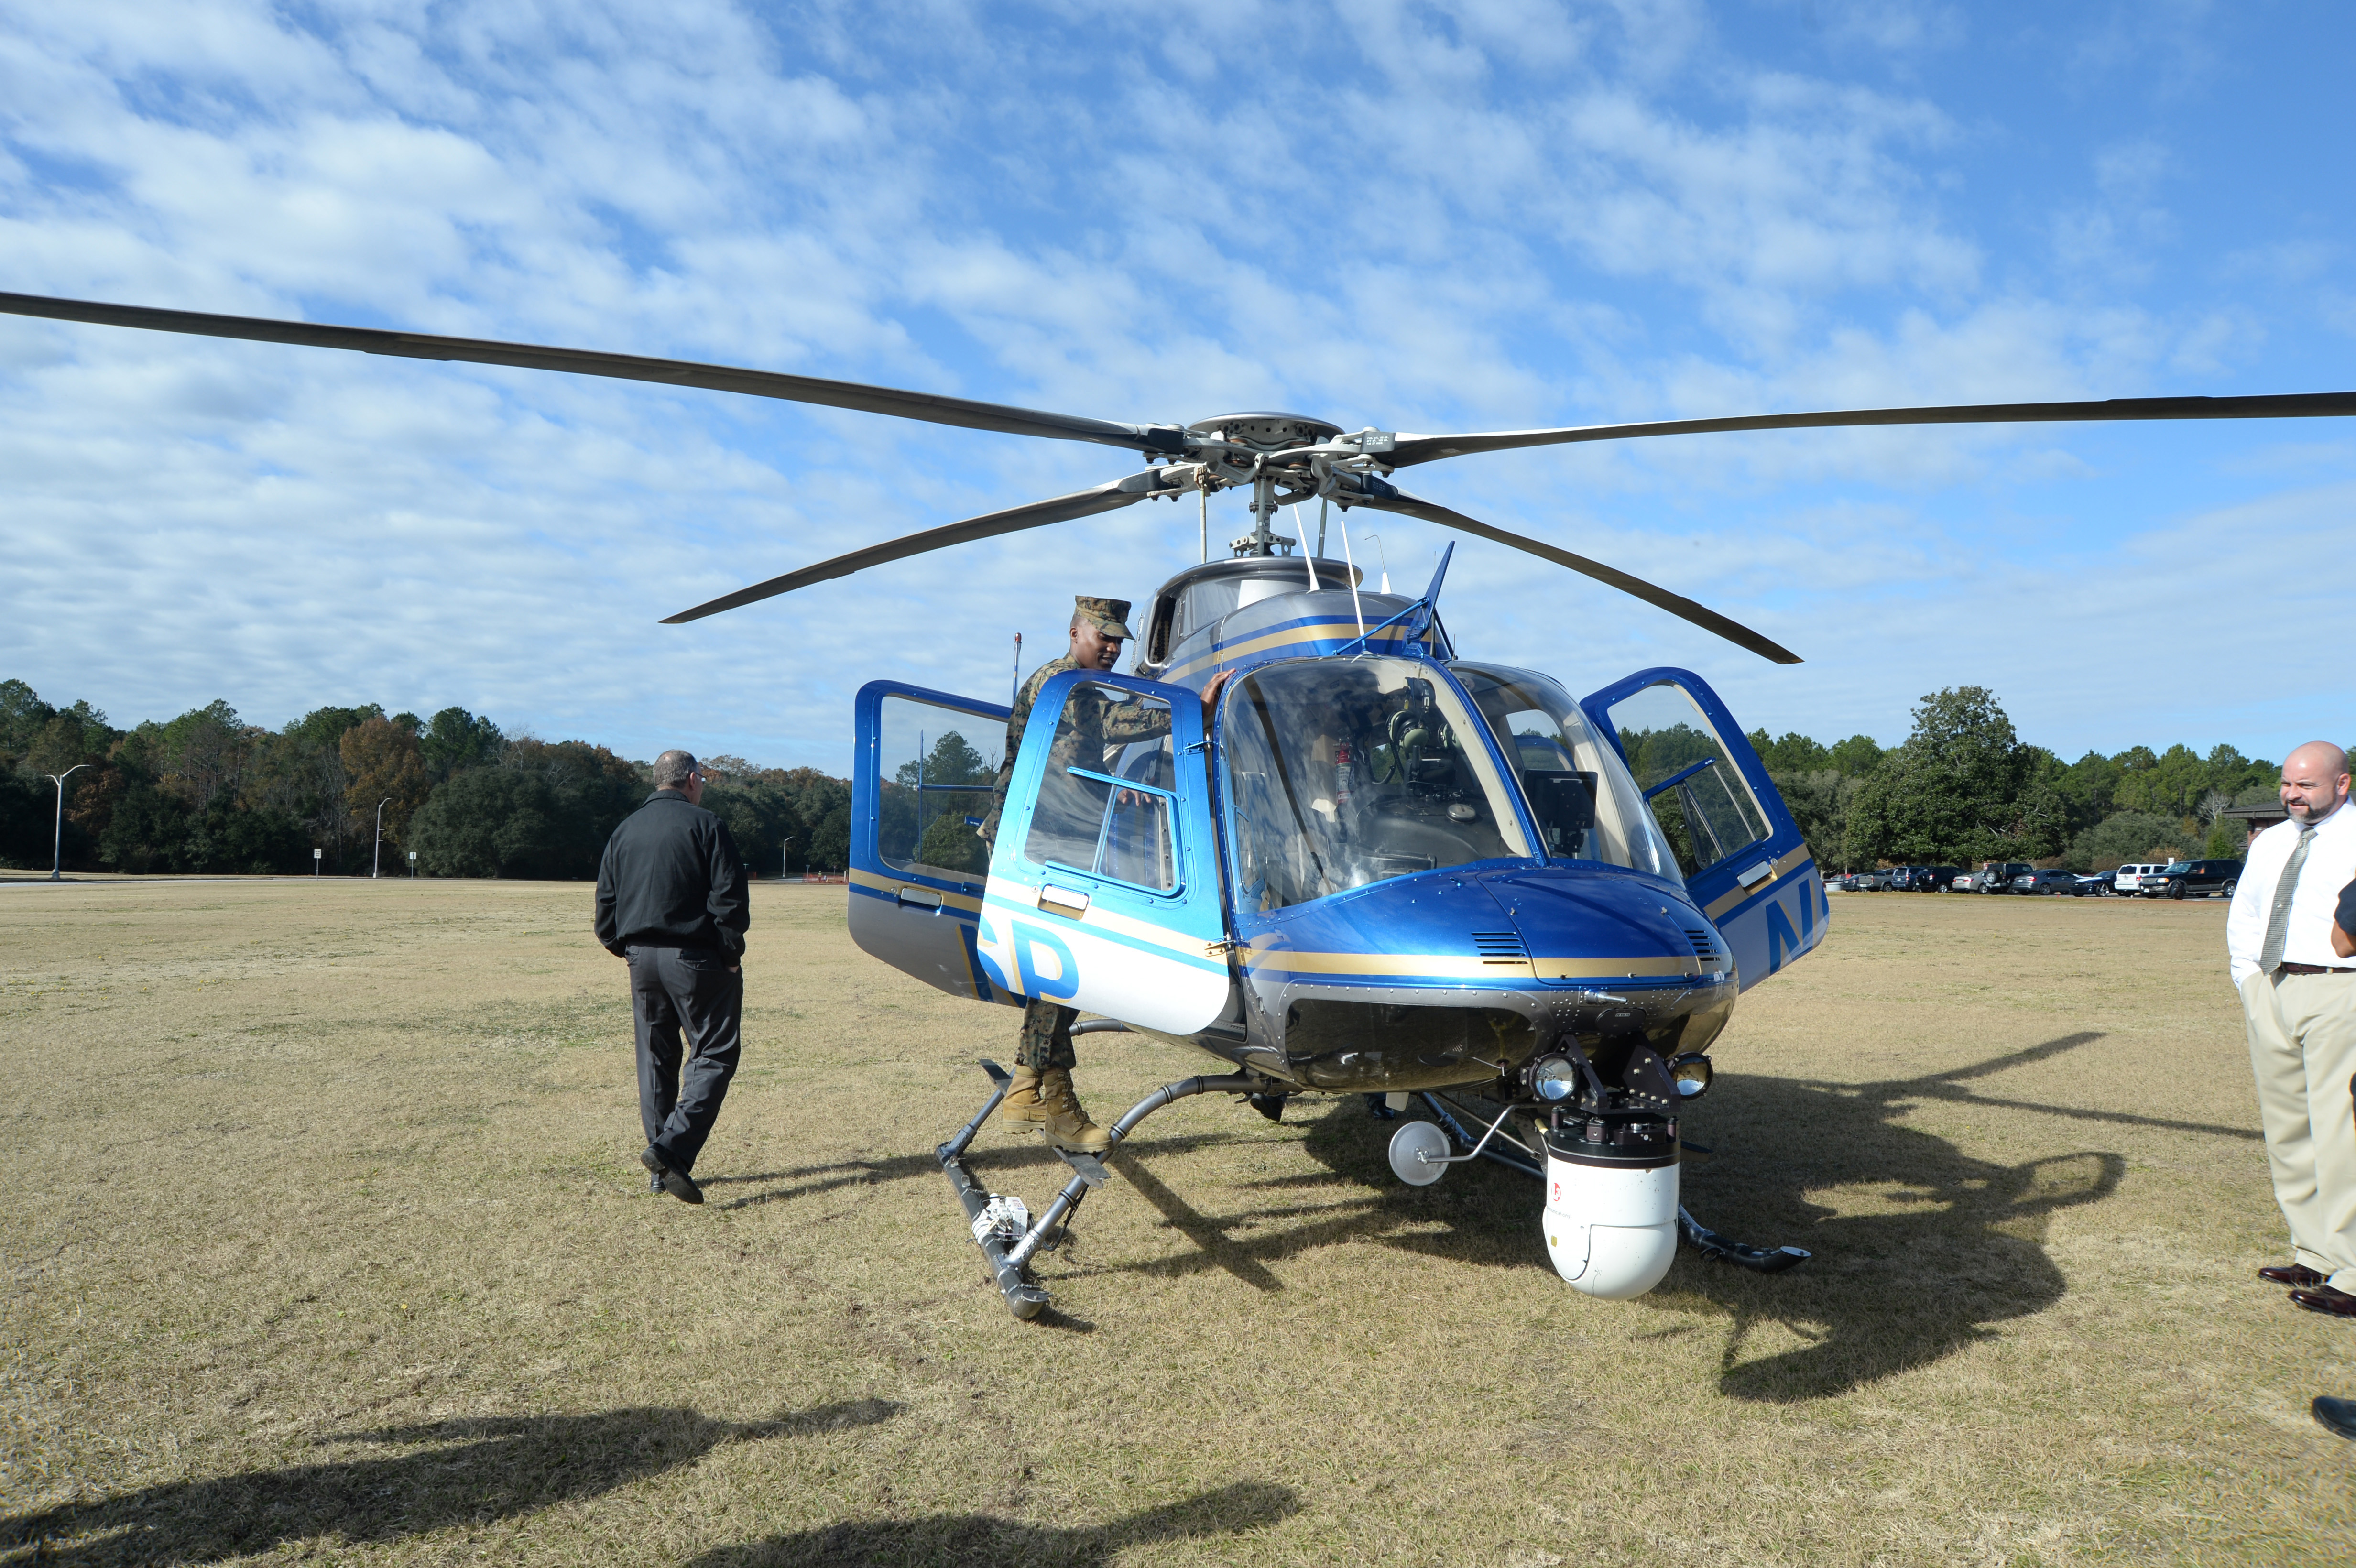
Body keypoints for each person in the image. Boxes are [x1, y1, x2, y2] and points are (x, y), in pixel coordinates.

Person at [977, 596, 1227, 1152]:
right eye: (1104, 638)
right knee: (1062, 966)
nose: (1112, 649)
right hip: (1039, 840)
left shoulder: (1073, 685)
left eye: (1118, 641)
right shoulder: (1062, 685)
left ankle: (1030, 1090)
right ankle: (1041, 1094)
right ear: (1075, 633)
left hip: (1051, 832)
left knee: (1061, 972)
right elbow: (1116, 721)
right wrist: (1193, 713)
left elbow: (1076, 762)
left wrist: (1119, 791)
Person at [2227, 742, 2356, 1315]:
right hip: (2273, 988)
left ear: (2341, 784)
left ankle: (2352, 1273)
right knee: (2287, 1131)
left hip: (2339, 988)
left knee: (2339, 1135)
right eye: (2286, 784)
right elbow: (2247, 913)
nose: (2290, 794)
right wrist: (2249, 984)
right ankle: (2312, 1251)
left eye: (2304, 785)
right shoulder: (2272, 842)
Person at [594, 749, 750, 1204]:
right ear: (691, 780)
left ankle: (660, 1171)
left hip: (641, 959)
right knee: (715, 1053)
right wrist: (731, 952)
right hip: (697, 958)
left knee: (655, 1058)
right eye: (702, 779)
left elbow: (606, 903)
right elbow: (730, 899)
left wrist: (624, 947)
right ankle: (670, 1149)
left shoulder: (624, 831)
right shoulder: (708, 826)